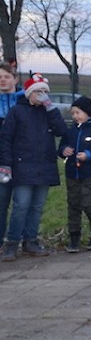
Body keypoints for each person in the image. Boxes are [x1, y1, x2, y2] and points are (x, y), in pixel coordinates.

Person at [0, 74, 67, 261]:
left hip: (44, 165)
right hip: (22, 166)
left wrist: (51, 109)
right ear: (29, 93)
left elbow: (62, 131)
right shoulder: (17, 112)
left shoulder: (48, 112)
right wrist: (5, 164)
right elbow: (6, 139)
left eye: (45, 92)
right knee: (21, 205)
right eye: (38, 91)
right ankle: (12, 243)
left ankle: (30, 240)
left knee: (37, 206)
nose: (42, 95)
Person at [58, 97, 91, 252]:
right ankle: (74, 236)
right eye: (73, 113)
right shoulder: (71, 131)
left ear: (88, 113)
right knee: (73, 204)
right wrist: (64, 151)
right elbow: (62, 147)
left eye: (78, 112)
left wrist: (89, 154)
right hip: (72, 173)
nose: (75, 116)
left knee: (88, 203)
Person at [0, 61, 23, 251]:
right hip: (1, 161)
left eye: (7, 77)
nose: (3, 80)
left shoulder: (25, 100)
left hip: (23, 160)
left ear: (14, 79)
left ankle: (18, 239)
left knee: (22, 204)